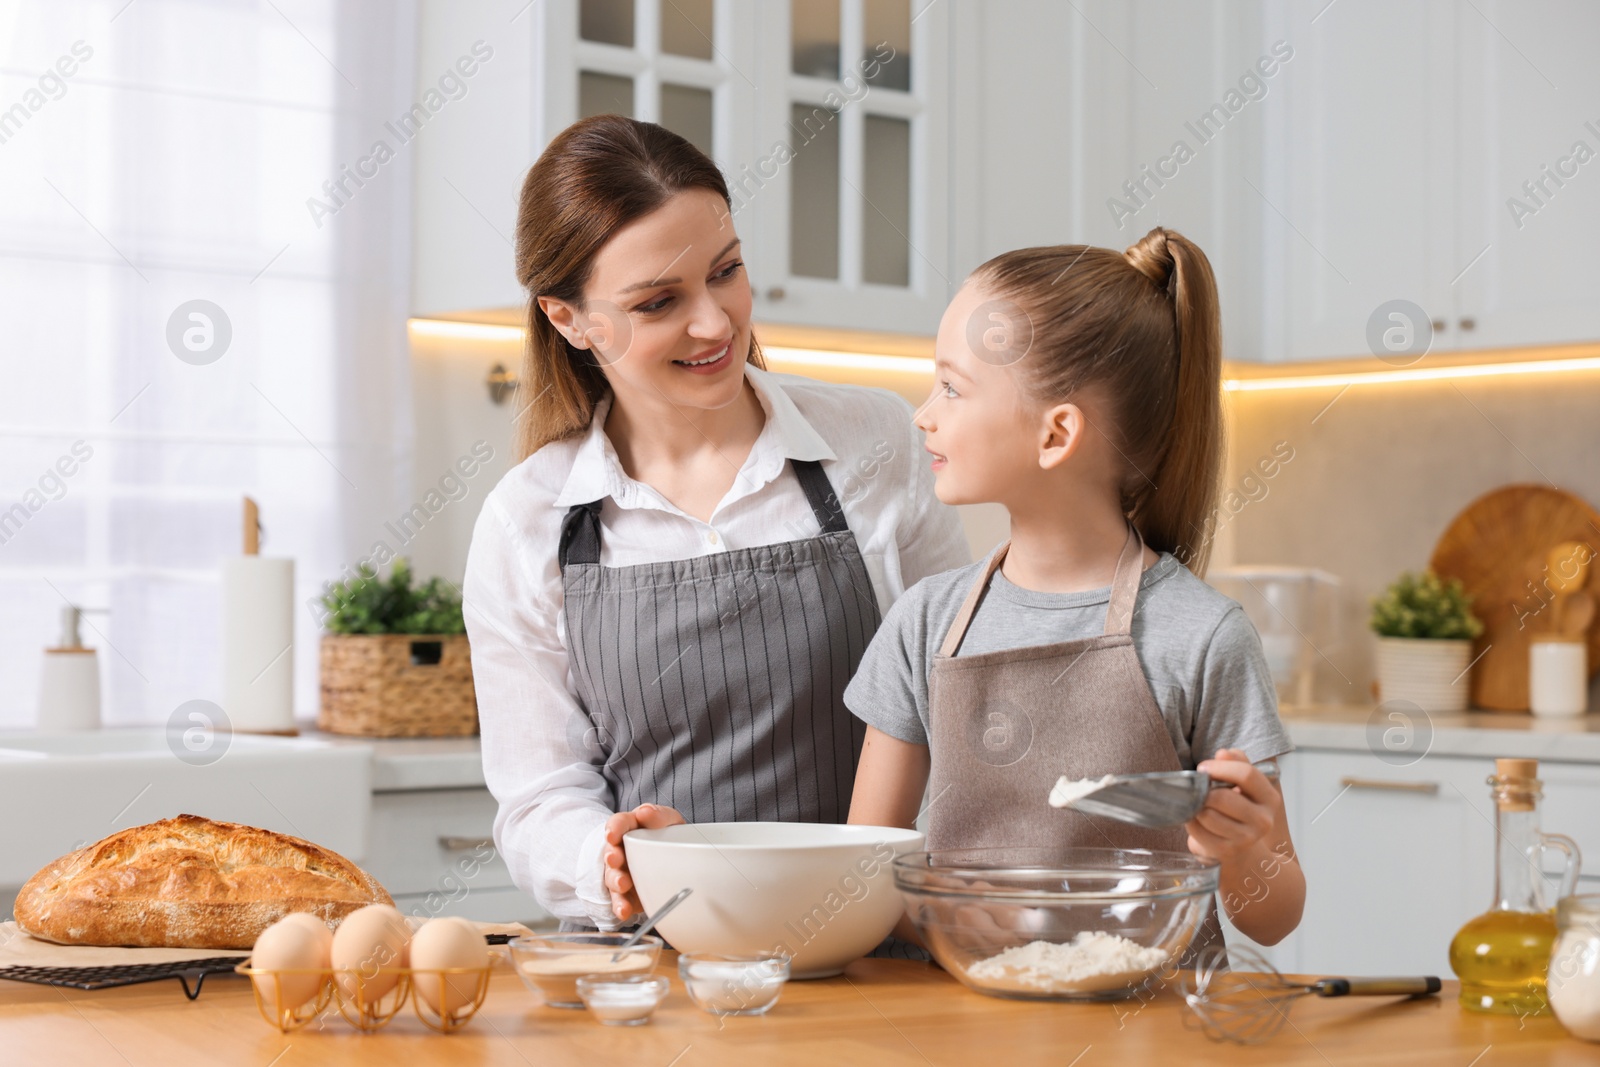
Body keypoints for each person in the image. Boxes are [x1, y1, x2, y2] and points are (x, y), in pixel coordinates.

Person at [462, 115, 969, 930]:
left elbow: (964, 709)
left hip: (884, 952)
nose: (715, 322)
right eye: (659, 301)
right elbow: (539, 797)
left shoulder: (875, 444)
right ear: (568, 320)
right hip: (663, 969)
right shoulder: (529, 521)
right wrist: (610, 857)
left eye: (726, 271)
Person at [844, 227, 1305, 953]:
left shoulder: (1200, 634)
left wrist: (1251, 846)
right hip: (964, 1021)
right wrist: (944, 914)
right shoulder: (925, 622)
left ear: (1056, 435)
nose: (923, 412)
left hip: (1155, 1030)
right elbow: (859, 877)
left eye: (952, 387)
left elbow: (1271, 917)